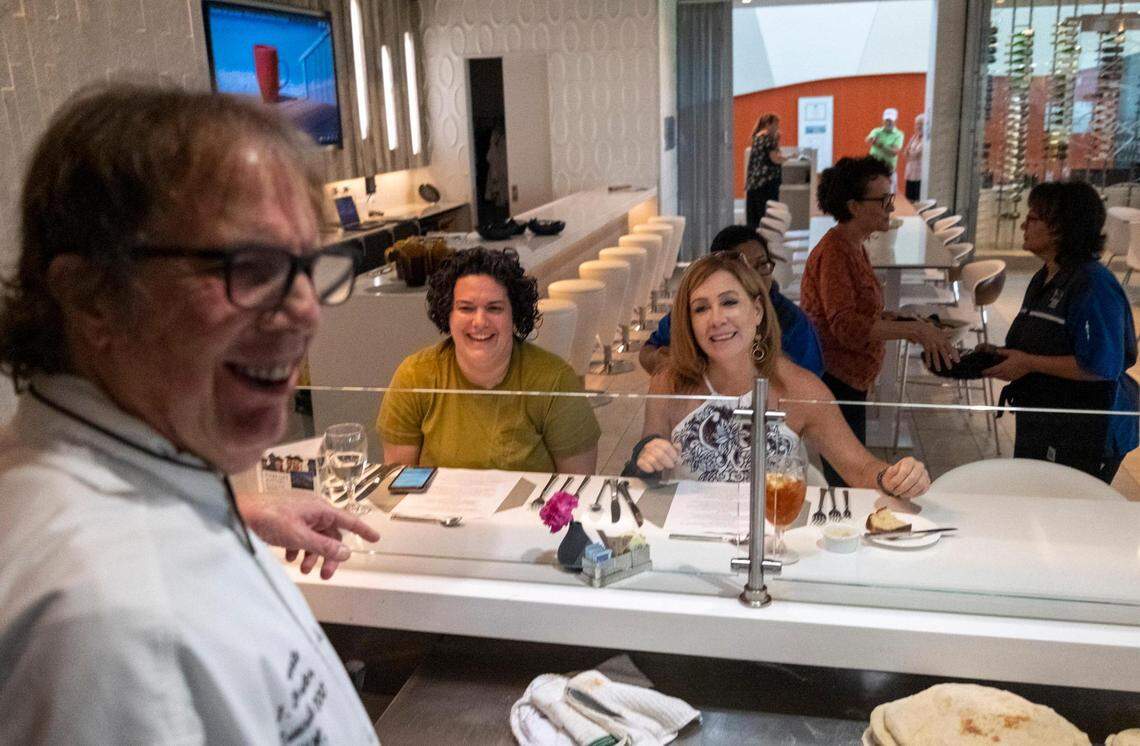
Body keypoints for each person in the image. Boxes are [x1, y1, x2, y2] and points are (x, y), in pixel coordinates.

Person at [0, 85, 380, 742]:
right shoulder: (111, 624)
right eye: (252, 266)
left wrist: (239, 512)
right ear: (93, 298)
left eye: (309, 267)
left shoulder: (123, 472)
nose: (307, 311)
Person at [628, 253, 930, 497]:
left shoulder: (800, 387)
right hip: (694, 539)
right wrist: (647, 455)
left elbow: (860, 468)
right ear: (689, 321)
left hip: (776, 539)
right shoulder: (669, 381)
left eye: (730, 302)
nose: (717, 319)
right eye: (701, 309)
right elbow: (646, 461)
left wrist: (894, 477)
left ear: (757, 311)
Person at [800, 156, 957, 485]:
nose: (890, 206)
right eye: (883, 199)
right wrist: (912, 330)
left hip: (851, 377)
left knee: (850, 472)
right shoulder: (836, 252)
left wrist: (903, 318)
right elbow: (845, 326)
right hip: (836, 378)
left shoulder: (854, 246)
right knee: (847, 478)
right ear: (855, 206)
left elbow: (859, 312)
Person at [379, 247, 601, 472]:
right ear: (448, 314)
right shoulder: (414, 376)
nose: (479, 321)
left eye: (494, 308)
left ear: (514, 315)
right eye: (466, 308)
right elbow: (399, 485)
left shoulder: (555, 380)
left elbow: (577, 490)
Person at [982, 181, 1138, 482]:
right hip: (1044, 419)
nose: (1024, 224)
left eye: (1034, 218)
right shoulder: (1047, 276)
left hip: (1083, 430)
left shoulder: (1092, 285)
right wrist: (1002, 356)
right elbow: (1042, 342)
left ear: (1062, 228)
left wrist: (1027, 363)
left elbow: (1101, 366)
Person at [639, 224, 824, 377]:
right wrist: (679, 364)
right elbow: (648, 352)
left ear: (758, 311)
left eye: (762, 264)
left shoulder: (791, 322)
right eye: (744, 268)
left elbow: (808, 389)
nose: (756, 276)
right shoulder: (696, 310)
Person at [745, 113, 787, 228]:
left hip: (754, 183)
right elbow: (774, 159)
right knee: (769, 216)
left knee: (755, 218)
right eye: (776, 124)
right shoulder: (768, 138)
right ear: (768, 124)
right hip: (767, 182)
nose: (777, 127)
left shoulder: (757, 137)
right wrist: (788, 158)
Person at [866, 108, 905, 192]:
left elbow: (894, 152)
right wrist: (888, 147)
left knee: (889, 194)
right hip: (874, 168)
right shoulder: (876, 131)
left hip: (888, 169)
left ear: (895, 121)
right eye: (887, 120)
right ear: (883, 120)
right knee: (873, 193)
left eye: (891, 120)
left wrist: (880, 144)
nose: (888, 122)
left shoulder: (899, 134)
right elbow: (869, 140)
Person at [904, 113, 925, 203]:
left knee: (918, 200)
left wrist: (910, 153)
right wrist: (910, 153)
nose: (918, 126)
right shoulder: (913, 137)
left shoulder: (926, 140)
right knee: (909, 199)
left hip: (919, 175)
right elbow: (905, 153)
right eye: (917, 124)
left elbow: (918, 154)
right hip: (910, 173)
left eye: (921, 124)